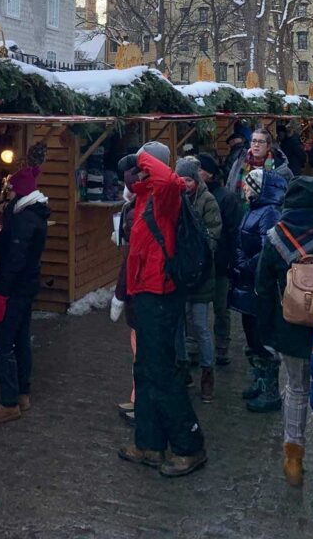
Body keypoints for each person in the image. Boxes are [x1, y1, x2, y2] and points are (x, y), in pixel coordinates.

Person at [256, 177, 313, 523]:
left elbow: (263, 288)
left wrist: (266, 334)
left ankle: (293, 458)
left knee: (294, 390)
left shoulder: (276, 237)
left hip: (289, 329)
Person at [118, 142, 207, 478]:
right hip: (144, 294)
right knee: (144, 370)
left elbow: (170, 181)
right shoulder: (143, 197)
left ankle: (189, 446)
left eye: (141, 167)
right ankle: (149, 443)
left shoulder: (166, 197)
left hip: (161, 295)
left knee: (162, 372)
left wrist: (141, 155)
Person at [0, 164, 50, 425]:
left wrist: (3, 290)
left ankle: (9, 401)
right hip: (28, 285)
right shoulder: (33, 213)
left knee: (4, 344)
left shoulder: (24, 219)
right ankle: (22, 393)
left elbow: (14, 259)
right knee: (21, 339)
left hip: (16, 287)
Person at [229, 168, 287, 413]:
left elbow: (267, 249)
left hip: (257, 283)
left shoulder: (269, 212)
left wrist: (245, 264)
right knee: (251, 335)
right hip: (246, 282)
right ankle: (259, 379)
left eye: (249, 184)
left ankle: (270, 389)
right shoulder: (253, 209)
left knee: (262, 338)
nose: (244, 187)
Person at [174, 157, 222, 402]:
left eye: (189, 179)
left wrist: (200, 254)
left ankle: (207, 373)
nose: (185, 183)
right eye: (181, 179)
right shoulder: (175, 199)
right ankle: (183, 369)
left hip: (202, 274)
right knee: (180, 325)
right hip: (181, 274)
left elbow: (215, 231)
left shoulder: (208, 201)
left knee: (201, 326)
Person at [197, 153, 243, 366]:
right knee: (197, 307)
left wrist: (231, 261)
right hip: (200, 263)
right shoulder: (194, 195)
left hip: (220, 261)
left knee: (220, 307)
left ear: (211, 173)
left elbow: (233, 232)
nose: (197, 173)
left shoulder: (226, 197)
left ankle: (222, 346)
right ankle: (200, 346)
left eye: (200, 169)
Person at [111, 158, 139, 421]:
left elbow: (131, 259)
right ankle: (136, 398)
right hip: (146, 292)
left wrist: (120, 294)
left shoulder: (135, 211)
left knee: (140, 349)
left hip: (140, 292)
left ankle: (140, 402)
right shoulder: (136, 207)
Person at [226, 126, 293, 195]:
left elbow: (289, 195)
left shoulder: (280, 167)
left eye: (261, 142)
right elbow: (229, 184)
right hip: (241, 204)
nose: (256, 145)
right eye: (254, 141)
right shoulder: (240, 162)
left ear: (268, 146)